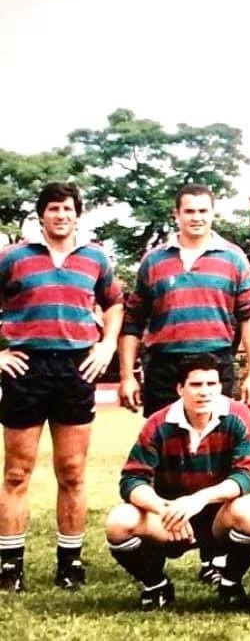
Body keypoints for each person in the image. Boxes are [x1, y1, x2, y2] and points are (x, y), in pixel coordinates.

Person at [0, 181, 124, 592]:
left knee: (72, 471)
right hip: (25, 367)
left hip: (76, 367)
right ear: (41, 215)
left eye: (68, 208)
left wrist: (106, 346)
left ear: (77, 214)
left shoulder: (95, 258)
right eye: (53, 208)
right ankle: (9, 565)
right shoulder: (14, 257)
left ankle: (69, 562)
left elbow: (115, 303)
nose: (61, 215)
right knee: (17, 472)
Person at [104, 353, 250, 609]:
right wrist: (165, 509)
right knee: (118, 522)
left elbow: (247, 475)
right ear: (180, 388)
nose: (205, 392)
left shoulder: (237, 415)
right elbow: (132, 480)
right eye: (196, 385)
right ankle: (156, 584)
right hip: (170, 519)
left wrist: (199, 499)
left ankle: (231, 581)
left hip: (218, 518)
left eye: (212, 384)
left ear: (221, 386)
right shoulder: (158, 423)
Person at [119, 183, 250, 417]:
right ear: (177, 214)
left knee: (215, 445)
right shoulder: (153, 260)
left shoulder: (234, 258)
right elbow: (132, 322)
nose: (197, 217)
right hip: (164, 367)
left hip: (215, 362)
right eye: (189, 211)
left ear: (213, 213)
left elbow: (249, 318)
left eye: (203, 211)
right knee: (164, 445)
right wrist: (127, 377)